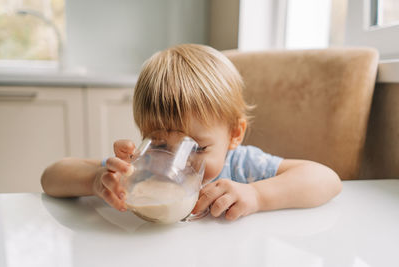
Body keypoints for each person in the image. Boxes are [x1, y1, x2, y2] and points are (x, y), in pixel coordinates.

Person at [41, 44, 342, 221]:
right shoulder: (141, 170)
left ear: (235, 135)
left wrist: (257, 195)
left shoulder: (242, 168)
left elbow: (327, 179)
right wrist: (97, 180)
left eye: (196, 148)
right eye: (158, 143)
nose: (176, 161)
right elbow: (51, 177)